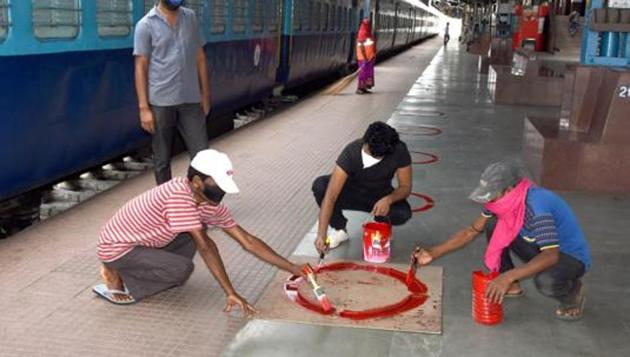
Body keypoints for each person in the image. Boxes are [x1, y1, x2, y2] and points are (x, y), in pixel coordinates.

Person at [93, 149, 304, 315]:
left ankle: (141, 268)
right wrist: (231, 293)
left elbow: (247, 240)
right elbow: (207, 247)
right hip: (118, 248)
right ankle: (119, 276)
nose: (221, 192)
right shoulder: (179, 195)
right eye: (217, 184)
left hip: (145, 241)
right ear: (196, 182)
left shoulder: (206, 201)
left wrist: (292, 267)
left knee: (195, 231)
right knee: (181, 269)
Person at [412, 161, 591, 321]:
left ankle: (572, 294)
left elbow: (550, 256)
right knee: (493, 224)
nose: (489, 200)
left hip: (567, 256)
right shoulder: (503, 202)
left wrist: (507, 276)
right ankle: (512, 286)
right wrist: (433, 252)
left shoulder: (537, 206)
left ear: (510, 190)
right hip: (538, 246)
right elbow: (471, 231)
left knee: (546, 281)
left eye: (492, 195)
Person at [134, 0, 211, 185]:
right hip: (161, 103)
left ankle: (200, 200)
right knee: (162, 160)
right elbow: (140, 66)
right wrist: (144, 108)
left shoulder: (190, 18)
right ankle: (164, 202)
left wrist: (205, 95)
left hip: (191, 100)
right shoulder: (145, 25)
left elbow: (200, 57)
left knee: (203, 156)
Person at [312, 122, 412, 253]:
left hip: (379, 195)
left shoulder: (398, 149)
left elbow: (405, 187)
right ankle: (339, 229)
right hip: (351, 193)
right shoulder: (351, 152)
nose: (378, 158)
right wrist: (321, 234)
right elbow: (331, 196)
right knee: (320, 186)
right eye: (375, 154)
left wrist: (389, 199)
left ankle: (379, 222)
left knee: (402, 213)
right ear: (365, 143)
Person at [356, 19, 376, 94]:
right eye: (367, 24)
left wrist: (373, 56)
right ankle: (359, 88)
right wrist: (365, 57)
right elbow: (361, 46)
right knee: (363, 73)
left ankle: (364, 88)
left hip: (369, 57)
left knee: (368, 72)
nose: (368, 26)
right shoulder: (362, 33)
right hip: (363, 57)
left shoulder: (368, 33)